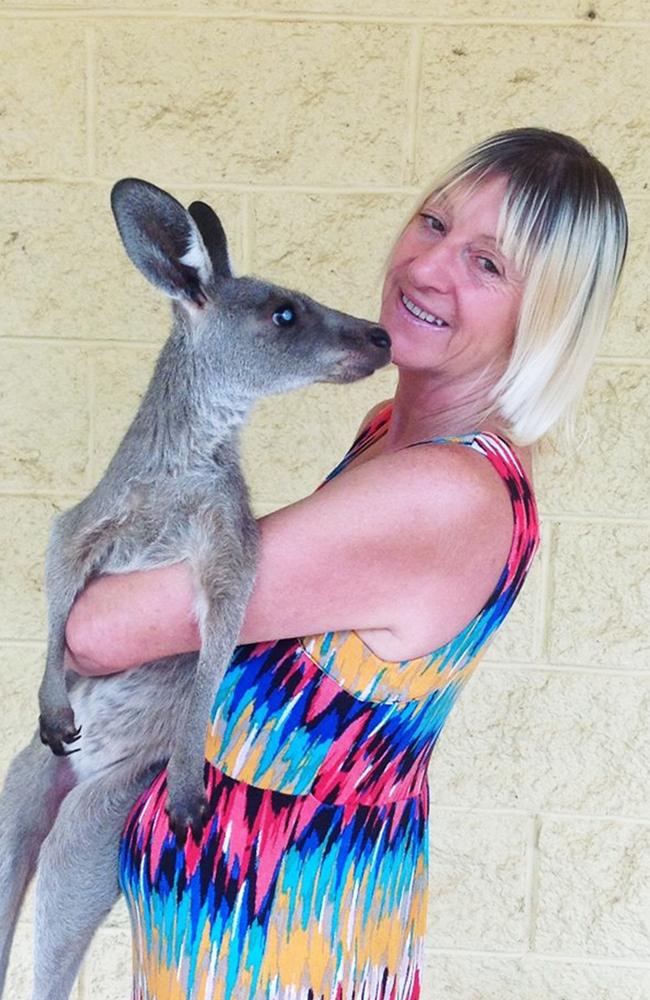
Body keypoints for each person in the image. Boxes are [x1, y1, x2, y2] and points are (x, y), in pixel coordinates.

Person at [66, 127, 628, 1000]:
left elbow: (100, 631)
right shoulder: (389, 439)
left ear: (543, 314)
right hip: (228, 945)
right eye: (434, 222)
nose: (430, 267)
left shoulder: (442, 494)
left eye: (489, 265)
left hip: (284, 958)